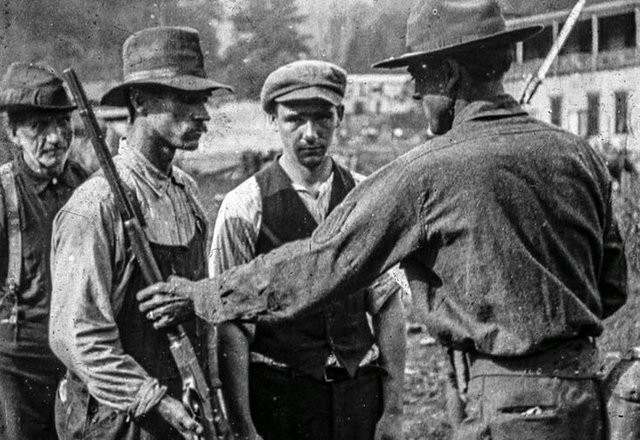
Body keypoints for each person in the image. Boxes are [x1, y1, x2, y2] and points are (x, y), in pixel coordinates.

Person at [139, 1, 628, 439]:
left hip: (504, 406)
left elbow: (323, 262)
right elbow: (612, 289)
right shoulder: (579, 154)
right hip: (583, 398)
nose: (415, 93)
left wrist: (204, 295)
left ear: (451, 75)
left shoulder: (429, 171)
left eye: (420, 74)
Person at [49, 26, 232, 440]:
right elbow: (76, 338)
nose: (203, 114)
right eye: (185, 99)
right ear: (139, 101)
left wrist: (211, 390)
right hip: (118, 421)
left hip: (185, 412)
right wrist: (155, 399)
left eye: (202, 99)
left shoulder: (186, 193)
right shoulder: (95, 207)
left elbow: (203, 319)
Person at [211, 60, 405, 440]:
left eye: (323, 118)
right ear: (272, 119)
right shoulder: (243, 207)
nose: (310, 133)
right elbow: (231, 324)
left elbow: (387, 305)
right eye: (295, 120)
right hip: (282, 400)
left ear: (341, 116)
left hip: (357, 397)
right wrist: (244, 427)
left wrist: (393, 412)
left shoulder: (367, 199)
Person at [0, 62, 87, 439]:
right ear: (13, 133)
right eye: (39, 127)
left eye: (62, 125)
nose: (55, 139)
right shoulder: (4, 194)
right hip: (20, 367)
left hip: (81, 361)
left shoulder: (88, 188)